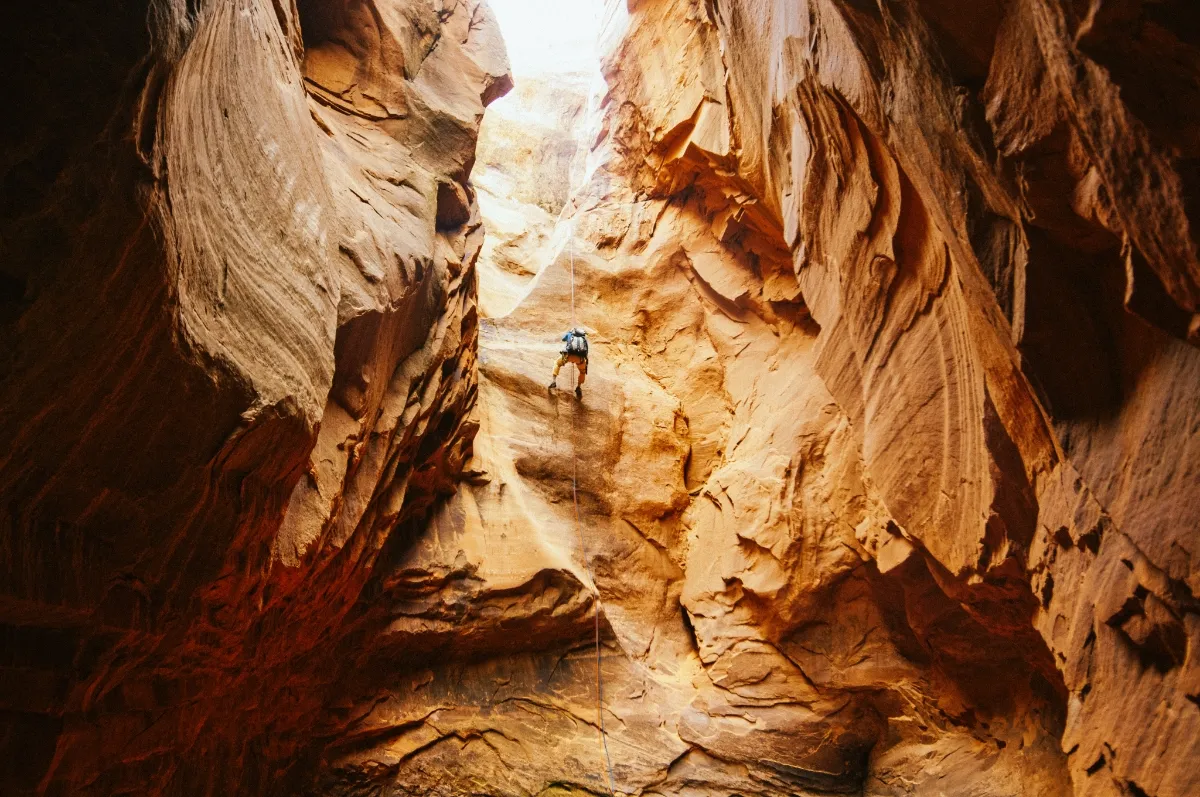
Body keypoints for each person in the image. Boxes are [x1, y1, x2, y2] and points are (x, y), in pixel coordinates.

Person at [549, 327, 588, 397]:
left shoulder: (570, 334)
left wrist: (568, 335)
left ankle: (554, 381)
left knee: (557, 363)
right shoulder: (583, 339)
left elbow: (563, 339)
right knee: (582, 372)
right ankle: (578, 387)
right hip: (580, 359)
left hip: (568, 356)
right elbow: (586, 350)